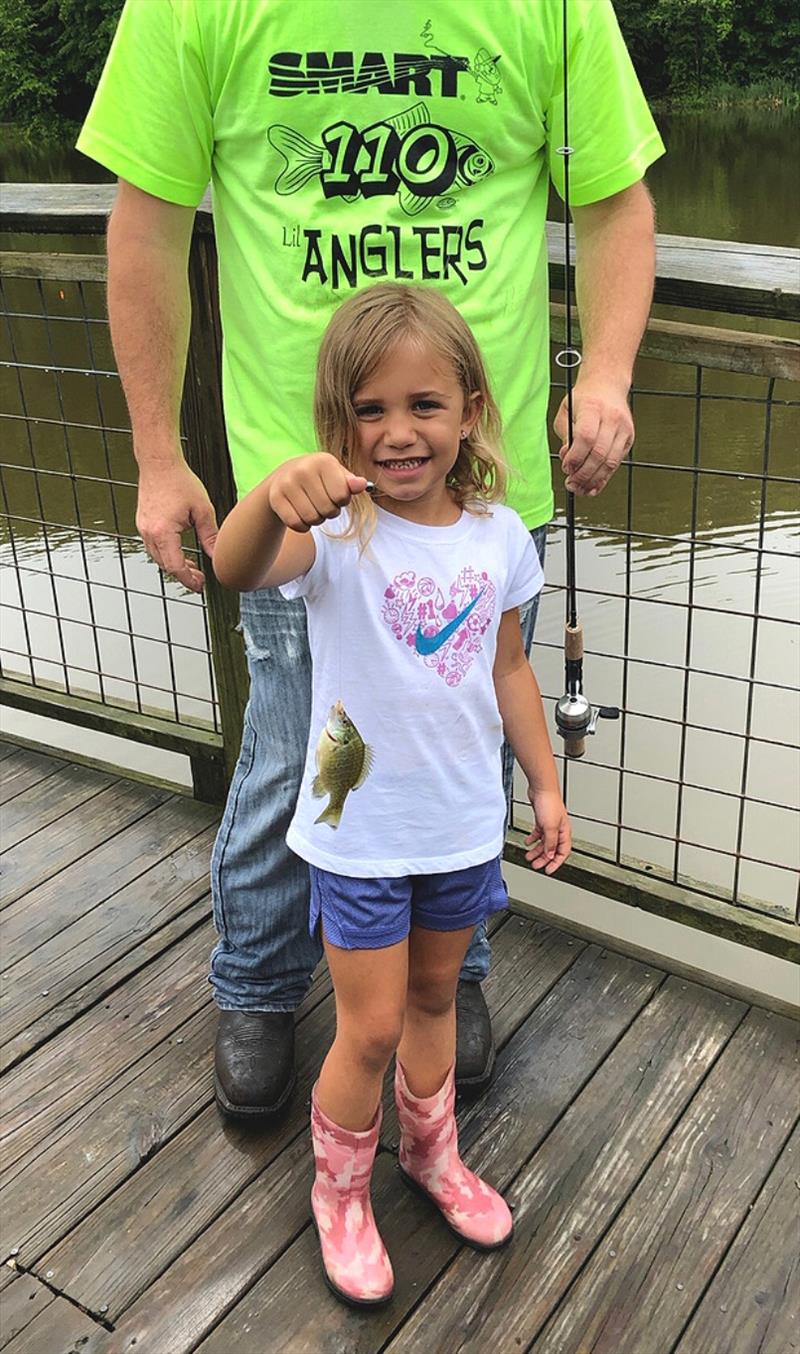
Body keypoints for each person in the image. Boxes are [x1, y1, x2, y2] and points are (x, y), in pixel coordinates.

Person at [77, 0, 664, 1117]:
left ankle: (453, 975)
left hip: (484, 490)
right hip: (299, 498)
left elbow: (612, 201)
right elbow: (146, 221)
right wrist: (160, 456)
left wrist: (609, 376)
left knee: (464, 731)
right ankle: (256, 981)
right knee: (298, 746)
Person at [212, 282, 571, 1305]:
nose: (398, 432)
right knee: (364, 1029)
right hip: (357, 832)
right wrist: (269, 493)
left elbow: (508, 669)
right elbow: (237, 566)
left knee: (431, 1001)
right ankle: (339, 1191)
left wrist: (542, 786)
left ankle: (429, 1153)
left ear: (468, 410)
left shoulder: (498, 537)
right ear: (339, 424)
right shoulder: (333, 537)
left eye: (423, 405)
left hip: (458, 828)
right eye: (369, 411)